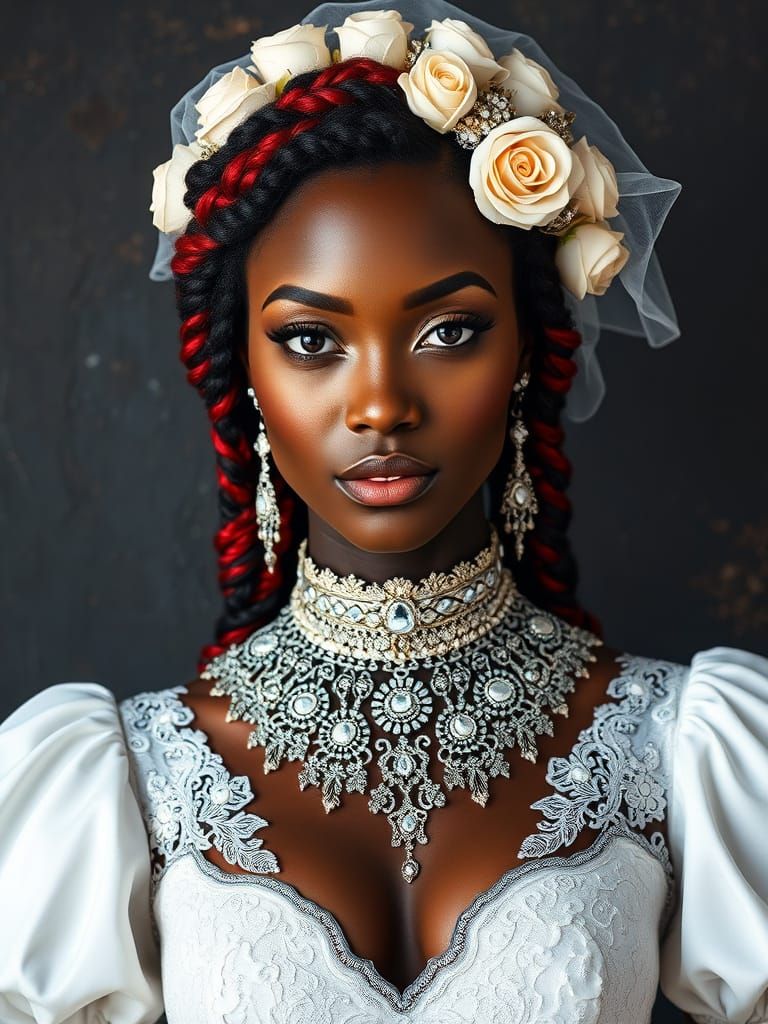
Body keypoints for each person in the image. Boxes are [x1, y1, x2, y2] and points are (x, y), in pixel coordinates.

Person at [1, 3, 766, 1022]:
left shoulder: (689, 749)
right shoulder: (117, 781)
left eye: (450, 330)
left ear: (528, 357)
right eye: (313, 340)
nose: (380, 404)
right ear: (245, 381)